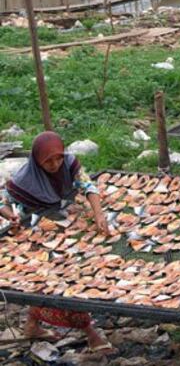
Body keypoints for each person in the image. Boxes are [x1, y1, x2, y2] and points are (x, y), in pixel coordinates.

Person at [0, 132, 113, 351]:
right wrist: (10, 215)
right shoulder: (24, 178)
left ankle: (32, 325)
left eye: (58, 158)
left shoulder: (69, 163)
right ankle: (90, 333)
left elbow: (88, 186)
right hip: (36, 232)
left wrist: (99, 214)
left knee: (56, 279)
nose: (55, 164)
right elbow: (2, 201)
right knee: (56, 281)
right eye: (48, 161)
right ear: (37, 161)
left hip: (65, 224)